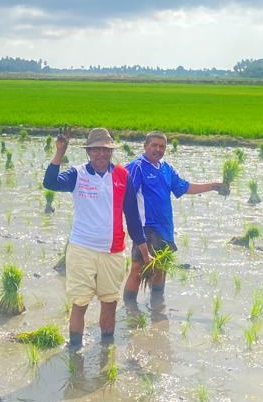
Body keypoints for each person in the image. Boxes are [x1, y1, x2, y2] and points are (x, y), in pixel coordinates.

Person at [43, 127, 147, 347]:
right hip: (82, 250)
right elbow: (50, 183)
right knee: (80, 304)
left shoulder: (122, 176)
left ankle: (105, 350)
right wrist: (60, 152)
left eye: (106, 150)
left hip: (113, 251)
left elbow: (133, 217)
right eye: (96, 150)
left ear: (111, 152)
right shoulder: (77, 174)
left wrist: (145, 252)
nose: (101, 154)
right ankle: (75, 355)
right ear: (88, 152)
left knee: (109, 303)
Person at [122, 131, 227, 299]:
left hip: (165, 228)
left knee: (162, 268)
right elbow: (123, 195)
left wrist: (214, 186)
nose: (158, 149)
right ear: (145, 146)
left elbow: (185, 188)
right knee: (138, 268)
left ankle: (157, 306)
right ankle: (129, 309)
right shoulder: (137, 167)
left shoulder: (166, 168)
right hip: (146, 228)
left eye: (162, 146)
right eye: (154, 145)